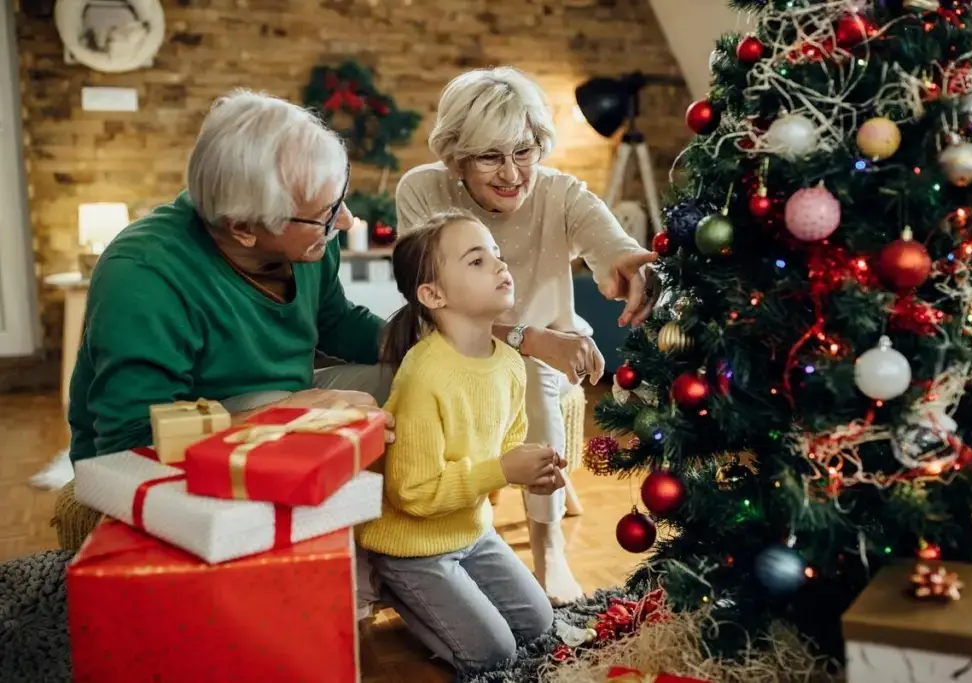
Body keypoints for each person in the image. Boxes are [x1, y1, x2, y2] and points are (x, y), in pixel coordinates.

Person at [396, 67, 659, 604]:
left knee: (534, 387)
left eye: (524, 150)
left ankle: (549, 550)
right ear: (457, 158)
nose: (513, 173)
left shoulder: (560, 193)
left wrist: (630, 264)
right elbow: (426, 300)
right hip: (452, 341)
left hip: (548, 353)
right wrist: (527, 336)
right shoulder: (422, 190)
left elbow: (611, 243)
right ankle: (446, 535)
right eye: (491, 157)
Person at [67, 88, 396, 468]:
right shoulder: (143, 275)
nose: (344, 221)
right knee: (274, 404)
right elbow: (130, 441)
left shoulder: (310, 241)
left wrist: (417, 342)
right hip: (152, 454)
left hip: (285, 397)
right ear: (242, 228)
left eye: (340, 199)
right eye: (327, 212)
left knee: (411, 379)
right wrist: (285, 415)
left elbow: (334, 319)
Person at [358, 210, 558, 672]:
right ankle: (391, 582)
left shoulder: (509, 363)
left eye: (497, 254)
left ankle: (447, 595)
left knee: (539, 623)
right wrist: (502, 471)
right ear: (433, 294)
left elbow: (503, 449)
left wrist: (530, 476)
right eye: (477, 260)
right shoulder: (424, 375)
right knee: (494, 653)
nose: (499, 265)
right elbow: (411, 493)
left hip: (470, 530)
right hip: (413, 546)